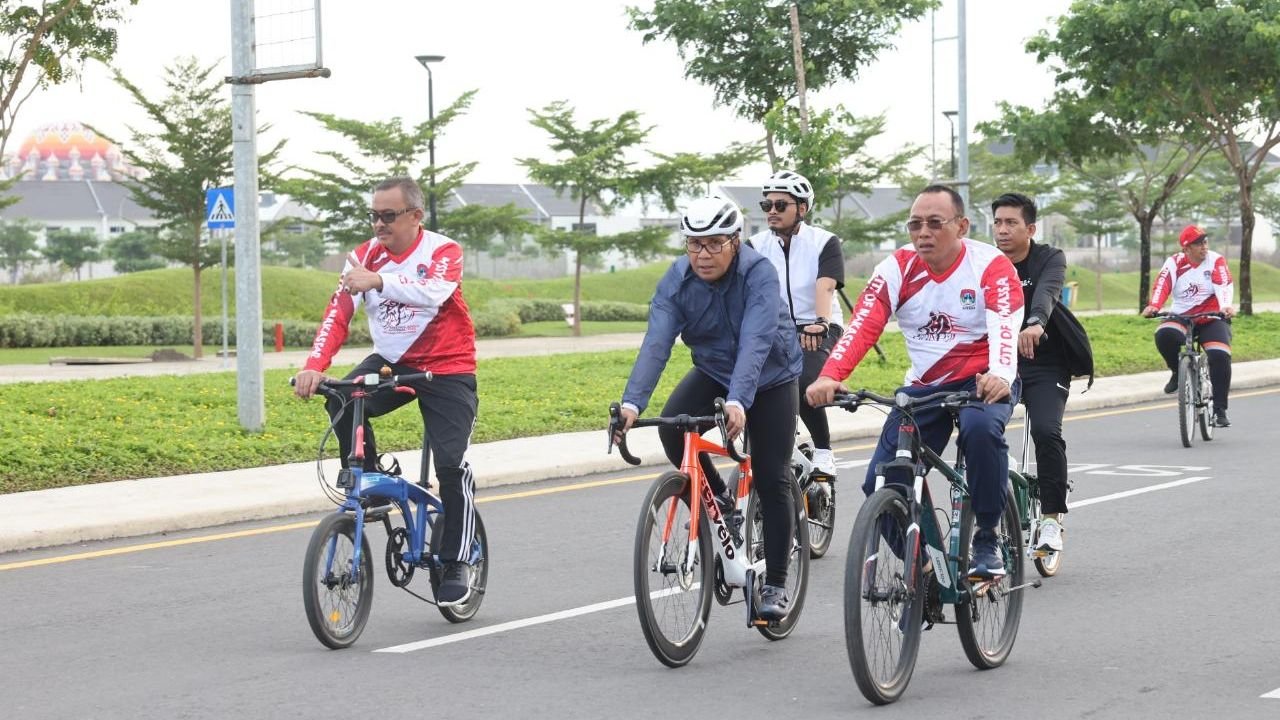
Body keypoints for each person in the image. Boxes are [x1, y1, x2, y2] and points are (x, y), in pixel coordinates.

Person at [806, 185, 1024, 578]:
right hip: (924, 389)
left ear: (961, 226)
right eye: (915, 224)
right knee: (879, 484)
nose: (923, 232)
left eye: (935, 223)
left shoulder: (990, 266)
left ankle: (988, 536)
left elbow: (1006, 327)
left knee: (980, 432)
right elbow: (863, 326)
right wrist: (830, 375)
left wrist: (1001, 375)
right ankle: (928, 568)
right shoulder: (896, 268)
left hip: (983, 383)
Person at [293, 176, 480, 607]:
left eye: (389, 215)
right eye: (373, 215)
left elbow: (435, 292)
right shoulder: (361, 257)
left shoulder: (442, 251)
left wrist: (378, 281)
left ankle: (455, 561)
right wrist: (314, 367)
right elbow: (336, 315)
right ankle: (369, 479)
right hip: (394, 362)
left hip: (448, 368)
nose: (379, 224)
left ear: (416, 216)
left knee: (451, 467)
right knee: (341, 395)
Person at [615, 196, 803, 620]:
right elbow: (656, 344)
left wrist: (739, 401)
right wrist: (631, 403)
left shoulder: (759, 274)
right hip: (715, 370)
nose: (702, 255)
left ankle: (775, 582)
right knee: (672, 427)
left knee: (772, 476)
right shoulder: (677, 282)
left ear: (736, 241)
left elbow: (757, 339)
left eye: (714, 244)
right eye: (693, 244)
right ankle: (721, 497)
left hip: (771, 375)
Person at [991, 192, 1094, 554]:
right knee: (978, 431)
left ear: (1030, 228)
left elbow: (1047, 293)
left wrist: (1035, 323)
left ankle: (1051, 518)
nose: (1002, 230)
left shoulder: (1049, 258)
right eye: (998, 222)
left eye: (1011, 223)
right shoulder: (984, 262)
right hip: (999, 362)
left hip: (1046, 361)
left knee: (1047, 432)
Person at [748, 170, 845, 478]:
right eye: (767, 206)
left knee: (802, 381)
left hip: (817, 326)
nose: (772, 212)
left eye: (780, 205)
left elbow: (825, 286)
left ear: (802, 208)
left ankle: (824, 451)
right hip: (774, 330)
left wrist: (820, 322)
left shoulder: (824, 242)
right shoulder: (754, 246)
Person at [1141, 224, 1236, 427]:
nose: (1204, 246)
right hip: (1182, 316)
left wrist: (1226, 306)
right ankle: (1177, 371)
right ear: (1186, 249)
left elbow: (1224, 284)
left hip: (1212, 317)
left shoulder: (1216, 260)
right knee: (1164, 334)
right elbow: (1162, 284)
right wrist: (1154, 305)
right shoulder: (1174, 263)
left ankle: (1219, 410)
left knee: (1220, 355)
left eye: (1205, 241)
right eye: (1198, 243)